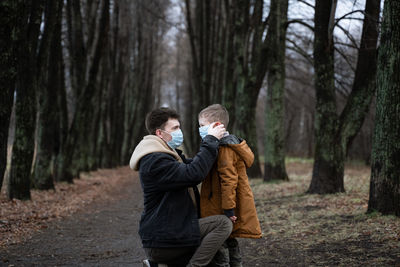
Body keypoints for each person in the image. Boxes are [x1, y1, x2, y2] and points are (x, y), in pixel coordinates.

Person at [129, 107, 233, 267]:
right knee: (222, 224)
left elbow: (197, 165)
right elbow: (193, 174)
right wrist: (210, 140)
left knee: (214, 256)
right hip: (163, 240)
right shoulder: (155, 161)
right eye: (175, 128)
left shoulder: (166, 155)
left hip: (170, 233)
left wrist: (221, 146)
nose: (180, 132)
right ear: (159, 133)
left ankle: (161, 265)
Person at [198, 104, 262, 267]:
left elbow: (229, 180)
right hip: (222, 203)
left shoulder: (225, 148)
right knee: (230, 240)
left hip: (221, 206)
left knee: (219, 246)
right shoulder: (224, 145)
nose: (200, 129)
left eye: (202, 126)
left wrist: (228, 209)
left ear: (217, 125)